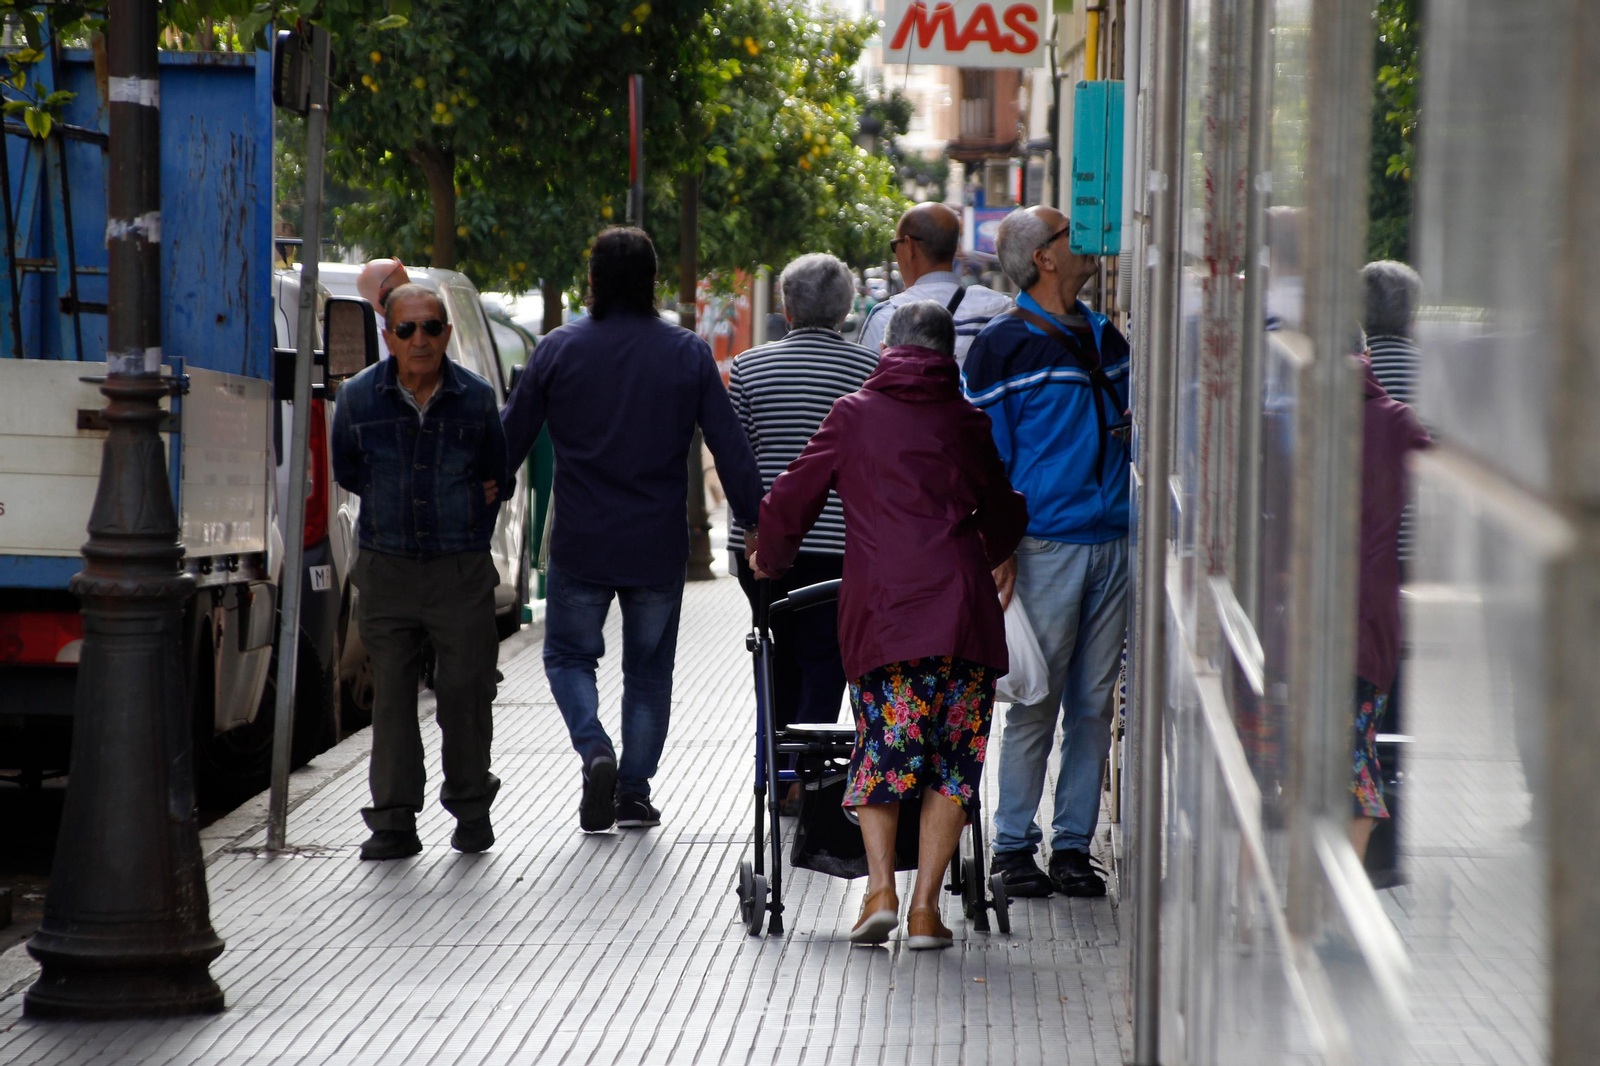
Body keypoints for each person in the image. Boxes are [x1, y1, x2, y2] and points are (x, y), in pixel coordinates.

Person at [752, 300, 1028, 949]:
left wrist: (772, 555)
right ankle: (927, 912)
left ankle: (879, 891)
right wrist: (996, 551)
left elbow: (794, 494)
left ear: (887, 352)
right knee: (952, 765)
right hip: (962, 617)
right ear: (945, 357)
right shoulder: (966, 419)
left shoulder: (854, 416)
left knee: (884, 750)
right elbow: (1005, 511)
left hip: (887, 617)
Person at [500, 227, 763, 833]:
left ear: (591, 282)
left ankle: (595, 750)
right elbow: (731, 448)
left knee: (568, 656)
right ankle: (632, 793)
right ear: (652, 283)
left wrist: (483, 489)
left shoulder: (557, 349)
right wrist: (754, 520)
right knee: (648, 672)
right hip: (656, 543)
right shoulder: (687, 352)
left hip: (581, 541)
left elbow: (510, 440)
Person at [962, 205, 1132, 899]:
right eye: (1072, 236)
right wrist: (994, 545)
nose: (1088, 244)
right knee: (1035, 700)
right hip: (1043, 546)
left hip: (1113, 541)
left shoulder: (1107, 338)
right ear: (1046, 259)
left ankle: (1071, 847)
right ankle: (1011, 847)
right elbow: (981, 457)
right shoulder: (1000, 345)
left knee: (1094, 706)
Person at [331, 283, 508, 860]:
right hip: (387, 568)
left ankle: (471, 808)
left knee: (465, 691)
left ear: (447, 334)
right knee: (391, 699)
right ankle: (393, 822)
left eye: (431, 327)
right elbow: (349, 469)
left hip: (459, 569)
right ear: (388, 337)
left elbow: (496, 476)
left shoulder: (477, 399)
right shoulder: (359, 398)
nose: (420, 340)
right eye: (406, 329)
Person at [728, 253, 880, 808]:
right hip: (844, 550)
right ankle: (801, 776)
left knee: (774, 654)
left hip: (764, 547)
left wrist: (749, 530)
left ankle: (778, 769)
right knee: (828, 660)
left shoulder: (748, 367)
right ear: (845, 310)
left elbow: (735, 460)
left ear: (786, 308)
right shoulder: (869, 369)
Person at [1350, 339, 1430, 861]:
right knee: (1357, 746)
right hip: (1371, 614)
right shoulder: (1398, 420)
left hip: (1287, 622)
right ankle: (1340, 895)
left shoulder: (1292, 410)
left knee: (1287, 757)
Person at [856, 203, 1011, 366]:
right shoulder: (999, 309)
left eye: (895, 245)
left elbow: (864, 384)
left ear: (910, 246)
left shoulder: (885, 317)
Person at [357, 257, 411, 325]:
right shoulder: (381, 333)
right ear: (385, 295)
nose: (414, 296)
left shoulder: (362, 328)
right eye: (406, 291)